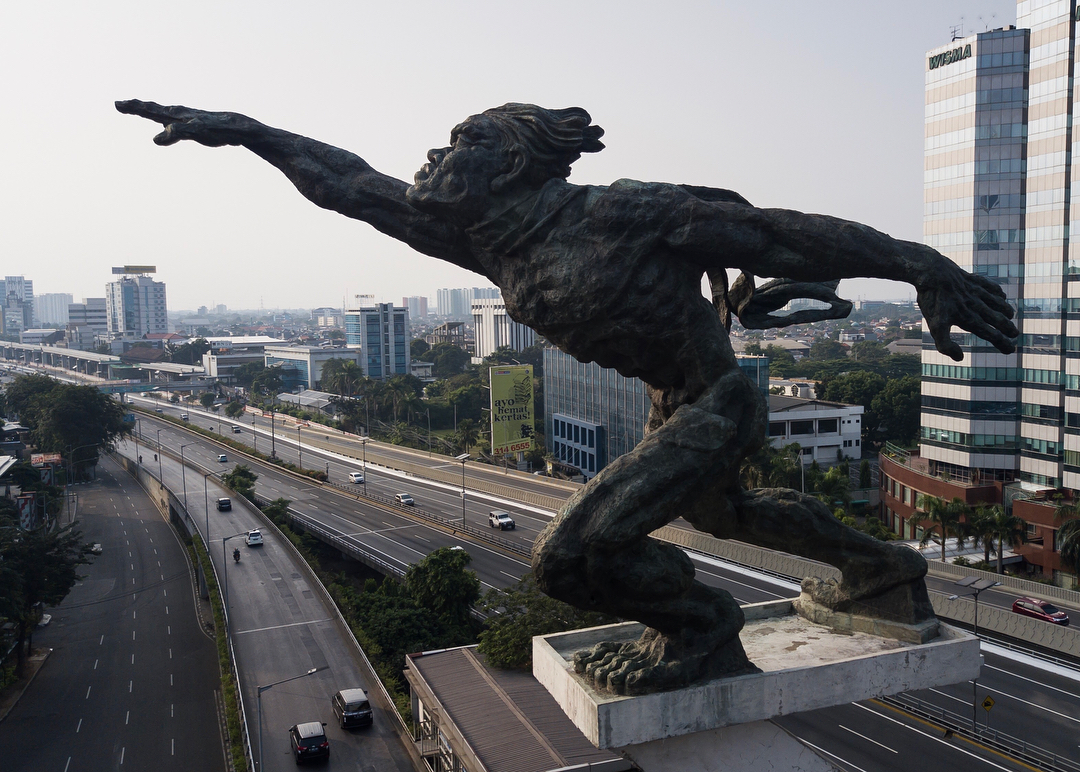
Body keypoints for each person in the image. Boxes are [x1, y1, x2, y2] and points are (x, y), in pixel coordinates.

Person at [118, 99, 1018, 695]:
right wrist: (243, 131)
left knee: (568, 558)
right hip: (678, 401)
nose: (435, 155)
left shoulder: (614, 213)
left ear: (512, 164)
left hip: (718, 401)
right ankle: (884, 569)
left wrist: (918, 261)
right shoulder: (492, 247)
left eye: (462, 142)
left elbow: (776, 231)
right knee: (729, 515)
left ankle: (701, 624)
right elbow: (349, 186)